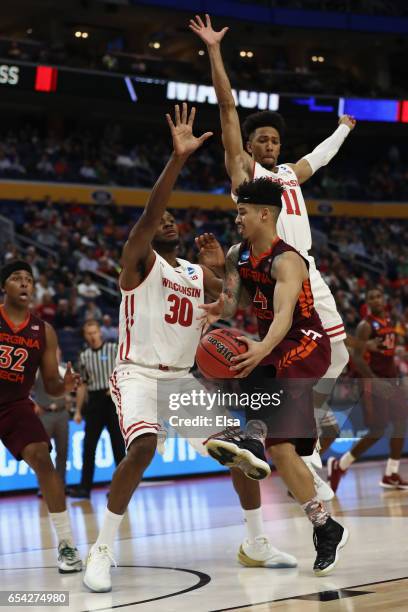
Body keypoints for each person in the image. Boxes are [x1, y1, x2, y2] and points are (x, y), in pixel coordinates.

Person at [83, 104, 290, 593]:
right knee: (144, 447)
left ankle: (256, 542)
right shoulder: (137, 262)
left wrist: (227, 269)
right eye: (162, 220)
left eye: (175, 219)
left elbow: (231, 307)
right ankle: (102, 549)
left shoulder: (196, 274)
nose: (168, 222)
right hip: (136, 372)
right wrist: (178, 159)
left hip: (180, 377)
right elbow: (153, 210)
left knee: (242, 453)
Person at [190, 12, 355, 502]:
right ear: (249, 146)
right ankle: (295, 439)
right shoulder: (244, 177)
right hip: (274, 271)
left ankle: (301, 426)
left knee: (340, 355)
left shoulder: (288, 174)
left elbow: (319, 157)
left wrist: (343, 128)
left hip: (309, 269)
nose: (267, 143)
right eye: (260, 138)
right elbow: (226, 109)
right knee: (284, 357)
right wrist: (216, 51)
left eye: (274, 139)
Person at [199, 178, 349, 576]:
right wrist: (218, 292)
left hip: (307, 342)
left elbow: (283, 316)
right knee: (283, 452)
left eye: (242, 212)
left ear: (264, 214)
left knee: (263, 362)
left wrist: (263, 347)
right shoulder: (237, 254)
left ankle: (252, 435)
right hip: (274, 347)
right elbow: (236, 302)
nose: (237, 219)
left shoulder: (288, 260)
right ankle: (325, 525)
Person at [0, 260, 82, 573]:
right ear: (4, 287)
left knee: (42, 458)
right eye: (16, 279)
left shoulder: (43, 331)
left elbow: (51, 385)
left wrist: (66, 386)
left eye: (29, 280)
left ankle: (66, 545)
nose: (24, 284)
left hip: (15, 404)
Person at [328, 287, 408, 491]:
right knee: (378, 431)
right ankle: (340, 465)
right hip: (373, 383)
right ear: (367, 303)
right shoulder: (365, 326)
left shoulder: (389, 321)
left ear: (384, 298)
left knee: (400, 425)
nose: (376, 299)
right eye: (371, 297)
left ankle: (391, 473)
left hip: (392, 381)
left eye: (378, 295)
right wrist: (374, 380)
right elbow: (356, 358)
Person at [67, 320, 125, 499]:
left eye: (94, 332)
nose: (92, 336)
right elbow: (82, 385)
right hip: (94, 402)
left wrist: (115, 387)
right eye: (88, 333)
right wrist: (77, 410)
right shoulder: (84, 356)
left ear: (100, 332)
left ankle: (122, 488)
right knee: (89, 446)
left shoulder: (114, 349)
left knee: (118, 447)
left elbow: (125, 373)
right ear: (85, 335)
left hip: (112, 401)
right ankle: (85, 488)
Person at [33, 348, 70, 494]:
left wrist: (69, 399)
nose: (55, 355)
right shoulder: (37, 370)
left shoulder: (64, 369)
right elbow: (24, 389)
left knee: (62, 451)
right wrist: (33, 404)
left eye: (57, 352)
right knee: (42, 453)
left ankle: (61, 484)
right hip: (44, 414)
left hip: (61, 414)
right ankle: (44, 486)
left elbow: (77, 388)